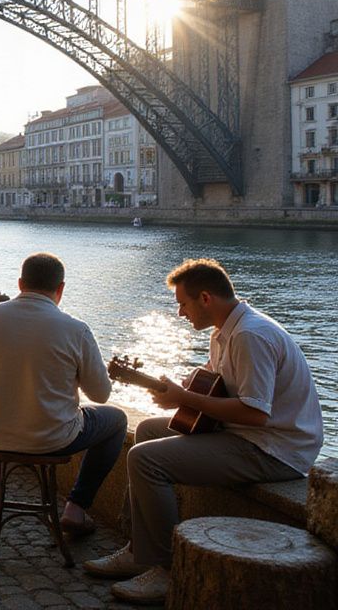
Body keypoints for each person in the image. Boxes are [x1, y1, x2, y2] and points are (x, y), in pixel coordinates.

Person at [84, 259, 324, 604]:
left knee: (145, 460)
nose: (181, 313)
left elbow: (255, 413)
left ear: (206, 298)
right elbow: (217, 389)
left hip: (275, 448)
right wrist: (181, 390)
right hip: (247, 434)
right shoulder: (224, 331)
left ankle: (168, 569)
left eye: (183, 303)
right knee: (150, 431)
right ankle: (139, 550)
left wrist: (184, 397)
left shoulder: (250, 336)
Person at [0, 252, 125, 535]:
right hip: (53, 440)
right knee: (117, 420)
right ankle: (76, 508)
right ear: (61, 289)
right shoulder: (76, 329)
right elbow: (101, 395)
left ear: (20, 283)